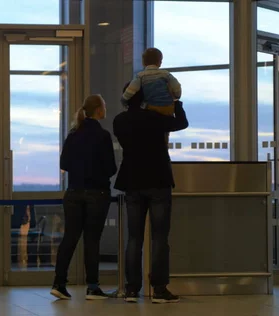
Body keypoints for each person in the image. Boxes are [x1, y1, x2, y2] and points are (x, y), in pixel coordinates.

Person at [113, 83, 189, 304]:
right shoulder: (155, 118)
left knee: (134, 238)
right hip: (158, 179)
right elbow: (182, 123)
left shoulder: (119, 121)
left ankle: (131, 289)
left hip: (132, 181)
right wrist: (175, 103)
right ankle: (159, 289)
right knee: (159, 238)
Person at [51, 94, 117, 301]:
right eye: (104, 106)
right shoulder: (103, 135)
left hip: (73, 192)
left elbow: (64, 164)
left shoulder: (73, 134)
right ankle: (92, 287)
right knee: (92, 240)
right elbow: (111, 168)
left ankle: (59, 283)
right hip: (97, 193)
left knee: (70, 238)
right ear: (98, 110)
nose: (105, 109)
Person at [121, 48, 182, 143]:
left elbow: (131, 90)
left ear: (143, 62)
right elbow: (176, 87)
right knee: (165, 131)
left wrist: (124, 100)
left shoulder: (141, 76)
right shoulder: (165, 74)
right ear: (160, 62)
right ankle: (164, 146)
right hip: (168, 108)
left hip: (151, 109)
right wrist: (177, 96)